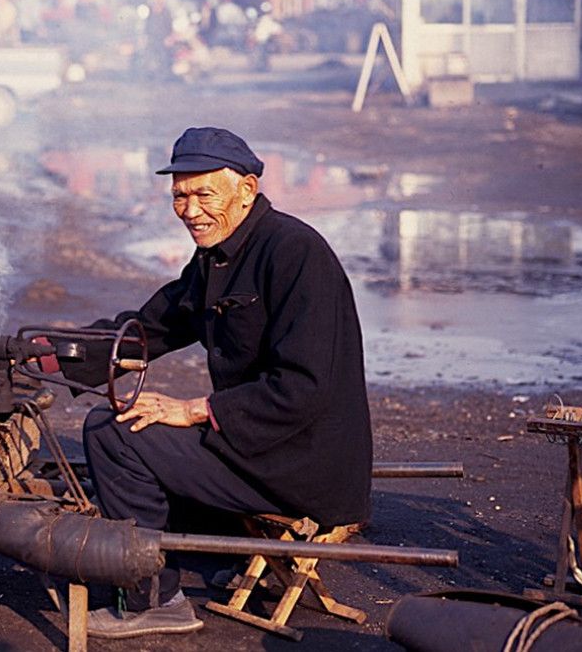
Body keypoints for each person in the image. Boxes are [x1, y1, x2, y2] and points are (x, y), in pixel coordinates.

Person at [71, 127, 373, 640]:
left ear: (247, 190)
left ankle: (154, 601)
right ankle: (217, 555)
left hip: (302, 461)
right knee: (128, 429)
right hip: (256, 446)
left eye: (203, 195)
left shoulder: (295, 252)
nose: (190, 211)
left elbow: (303, 388)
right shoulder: (219, 254)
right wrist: (56, 354)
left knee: (111, 432)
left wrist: (192, 410)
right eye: (179, 197)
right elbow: (153, 329)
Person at [143, 0, 174, 80]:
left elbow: (170, 26)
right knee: (149, 58)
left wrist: (170, 38)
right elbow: (146, 25)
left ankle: (163, 77)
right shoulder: (149, 11)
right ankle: (149, 76)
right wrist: (145, 37)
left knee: (164, 58)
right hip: (151, 39)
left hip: (164, 39)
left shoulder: (167, 12)